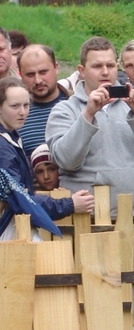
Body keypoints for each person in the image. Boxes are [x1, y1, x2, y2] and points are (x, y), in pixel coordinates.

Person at [46, 36, 134, 219]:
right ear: (81, 71)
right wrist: (88, 115)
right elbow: (67, 160)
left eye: (110, 66)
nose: (105, 72)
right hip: (87, 218)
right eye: (97, 66)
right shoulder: (65, 110)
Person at [0, 76, 94, 223]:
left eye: (26, 105)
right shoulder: (2, 146)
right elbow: (19, 199)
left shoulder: (11, 138)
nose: (23, 112)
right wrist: (70, 204)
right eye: (14, 106)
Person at [18, 44, 69, 156]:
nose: (38, 80)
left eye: (43, 72)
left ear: (56, 68)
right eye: (30, 74)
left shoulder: (76, 106)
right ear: (20, 75)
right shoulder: (14, 114)